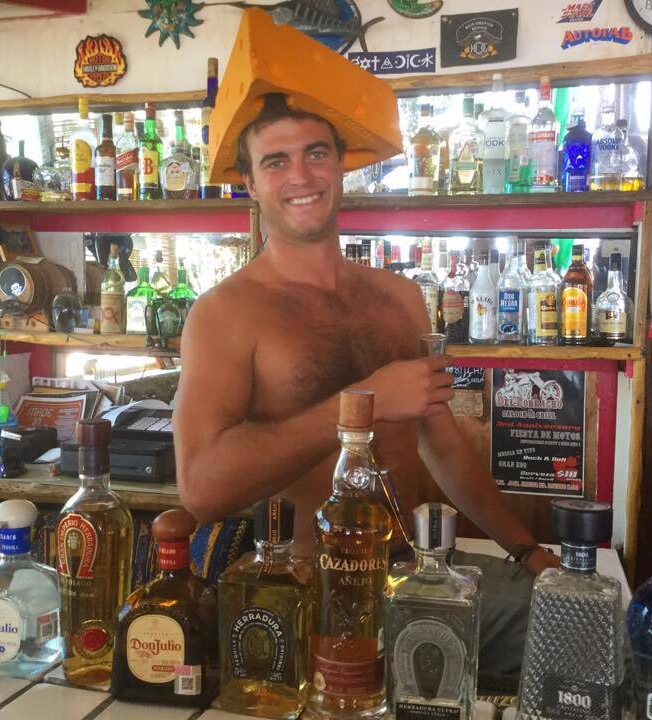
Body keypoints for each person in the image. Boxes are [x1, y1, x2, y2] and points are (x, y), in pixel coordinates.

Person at [173, 9, 558, 692]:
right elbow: (201, 490)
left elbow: (441, 442)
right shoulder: (225, 313)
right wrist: (364, 404)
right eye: (276, 161)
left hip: (418, 571)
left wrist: (526, 550)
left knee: (585, 630)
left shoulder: (400, 297)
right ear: (250, 183)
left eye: (316, 152)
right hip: (310, 592)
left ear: (341, 164)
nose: (301, 174)